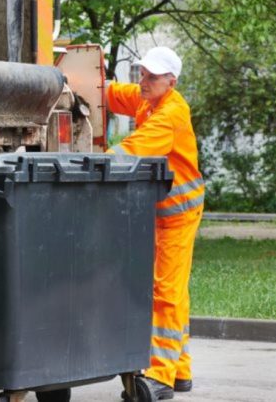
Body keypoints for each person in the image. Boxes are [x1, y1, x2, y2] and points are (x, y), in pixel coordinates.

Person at [106, 47, 204, 400]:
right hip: (162, 212)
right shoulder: (150, 100)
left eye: (151, 77)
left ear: (171, 82)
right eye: (142, 74)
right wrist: (79, 82)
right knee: (173, 290)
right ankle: (180, 371)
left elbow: (132, 149)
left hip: (178, 214)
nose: (142, 81)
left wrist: (88, 163)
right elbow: (117, 93)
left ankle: (160, 377)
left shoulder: (171, 115)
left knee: (165, 292)